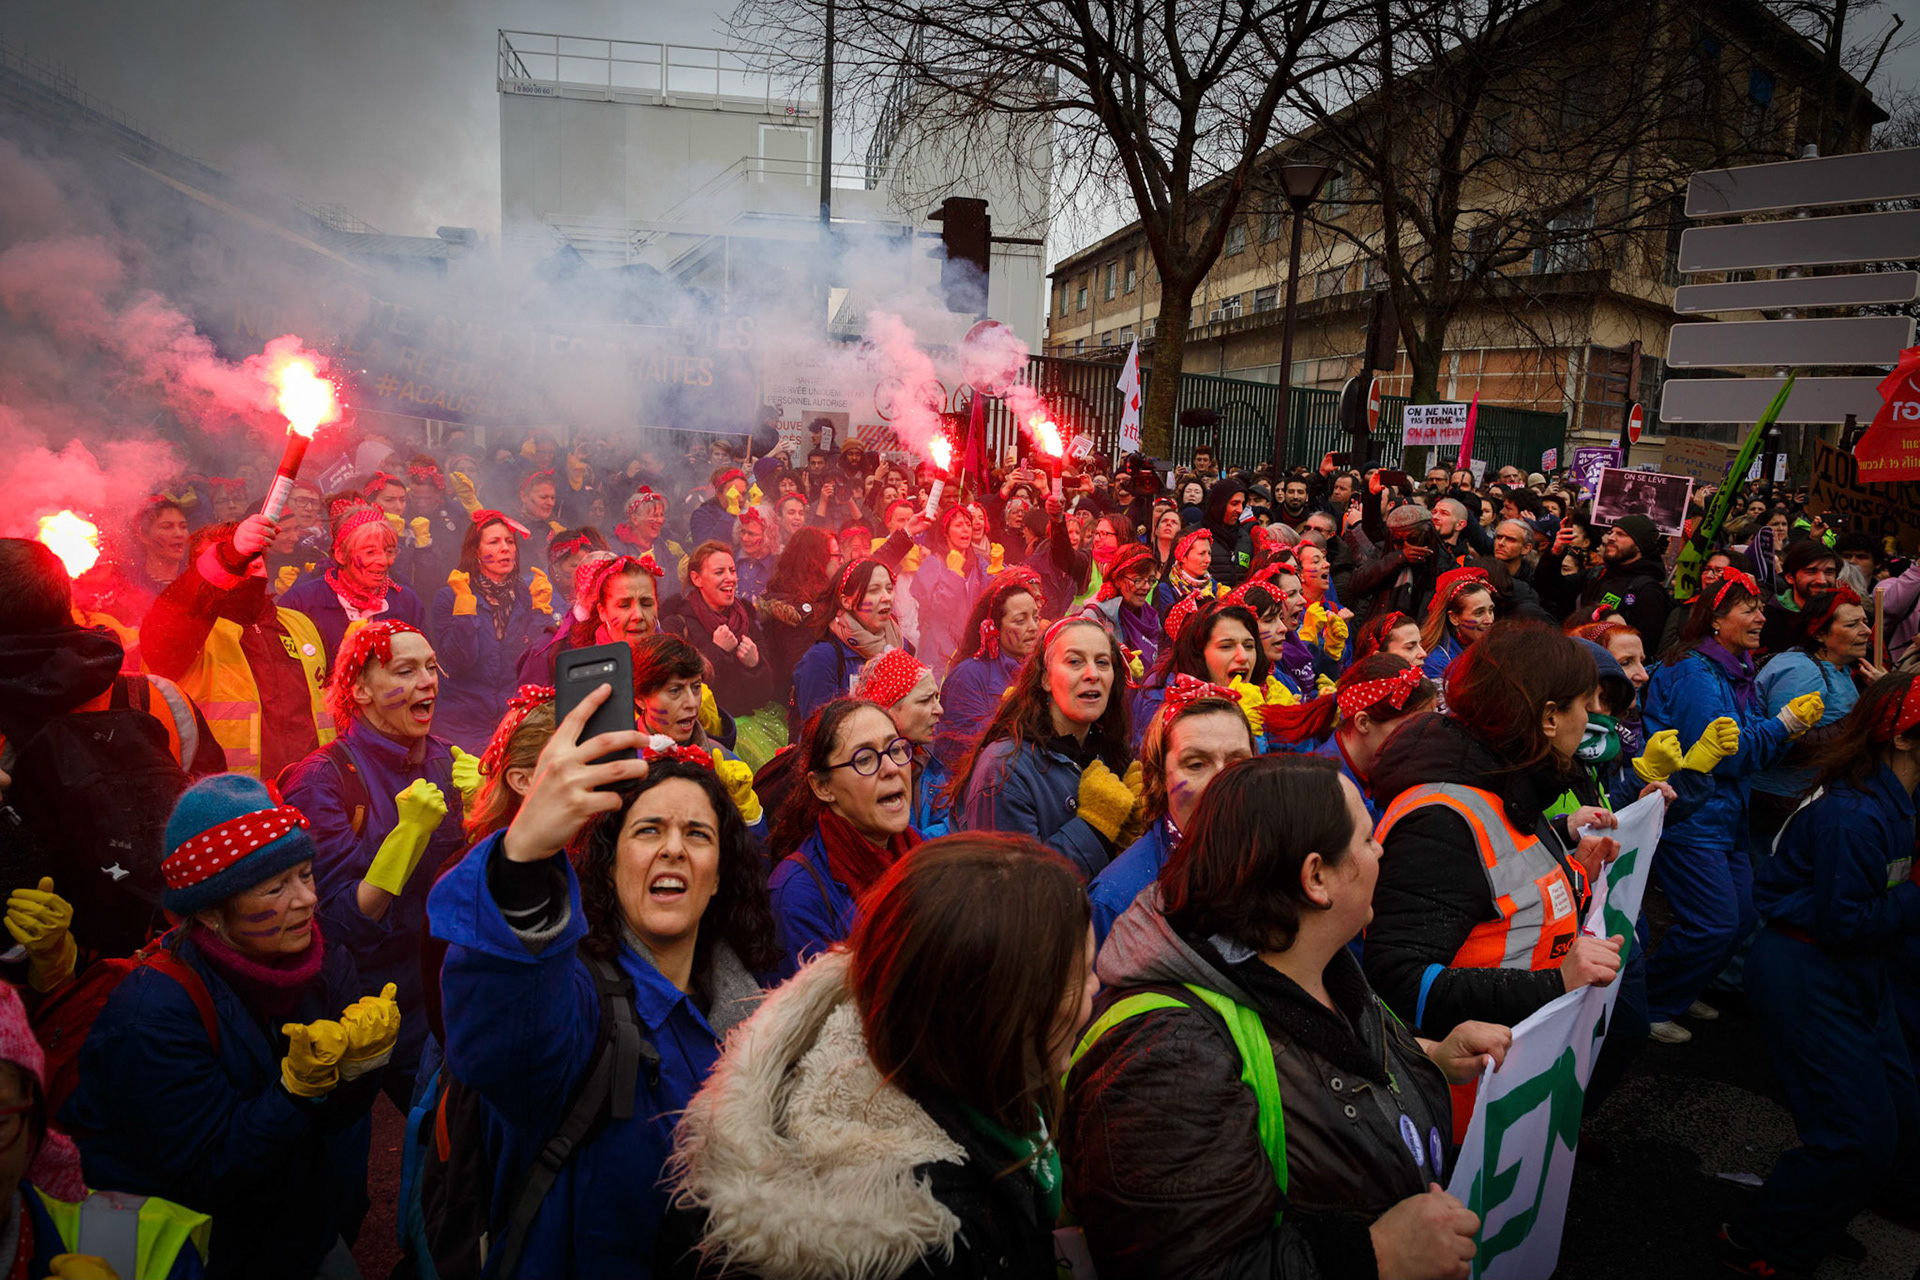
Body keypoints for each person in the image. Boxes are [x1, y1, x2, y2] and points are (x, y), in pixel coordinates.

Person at [1063, 755, 1501, 1280]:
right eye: (1365, 839)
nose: (1380, 848)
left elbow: (1318, 1060)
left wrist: (1426, 1055)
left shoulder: (1319, 962)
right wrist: (1373, 1256)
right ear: (1316, 878)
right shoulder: (1166, 1057)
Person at [429, 686, 778, 1278]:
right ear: (610, 865)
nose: (673, 848)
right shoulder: (575, 1009)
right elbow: (501, 1040)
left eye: (697, 834)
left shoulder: (763, 1018)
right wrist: (524, 858)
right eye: (647, 831)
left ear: (719, 876)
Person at [662, 835, 1090, 1279]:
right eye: (1078, 977)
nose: (1096, 989)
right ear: (998, 1012)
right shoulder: (928, 1239)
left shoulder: (976, 1081)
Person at [64, 774, 392, 1279]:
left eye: (305, 874)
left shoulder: (326, 964)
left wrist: (359, 1067)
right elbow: (205, 1175)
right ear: (213, 914)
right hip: (196, 1252)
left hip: (297, 1229)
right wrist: (294, 1092)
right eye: (275, 887)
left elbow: (334, 1123)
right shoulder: (152, 1012)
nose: (306, 899)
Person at [1722, 675, 1920, 1279]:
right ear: (1906, 740)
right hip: (1808, 971)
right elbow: (1846, 923)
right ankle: (1758, 1240)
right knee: (1854, 1134)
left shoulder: (1892, 800)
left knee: (1897, 1116)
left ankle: (1814, 1219)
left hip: (1854, 971)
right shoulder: (1853, 815)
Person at [1366, 622, 1626, 1041]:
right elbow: (1399, 983)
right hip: (1471, 1088)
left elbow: (1495, 888)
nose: (1590, 717)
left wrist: (1570, 864)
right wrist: (1556, 983)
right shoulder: (1441, 819)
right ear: (1549, 718)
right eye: (1584, 702)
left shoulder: (1508, 776)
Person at [0, 538, 224, 956]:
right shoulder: (161, 700)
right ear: (67, 598)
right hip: (168, 953)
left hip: (36, 980)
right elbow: (216, 822)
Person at [279, 620, 464, 1104]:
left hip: (438, 984)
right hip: (364, 1002)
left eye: (430, 666)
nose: (427, 681)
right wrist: (406, 837)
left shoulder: (444, 760)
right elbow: (341, 921)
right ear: (359, 690)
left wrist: (494, 806)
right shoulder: (321, 781)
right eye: (405, 670)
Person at [1640, 568, 1821, 1045]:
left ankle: (1681, 986)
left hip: (1725, 815)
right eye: (1750, 609)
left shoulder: (1736, 669)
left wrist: (1782, 731)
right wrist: (1783, 725)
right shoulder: (1696, 672)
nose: (1763, 617)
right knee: (1715, 921)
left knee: (1739, 916)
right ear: (1716, 620)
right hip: (1691, 815)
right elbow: (1729, 754)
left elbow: (1750, 751)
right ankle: (1650, 1002)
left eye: (1761, 607)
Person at [949, 618, 1139, 879]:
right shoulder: (1004, 770)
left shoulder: (1109, 751)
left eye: (1102, 662)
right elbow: (1015, 890)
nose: (1092, 674)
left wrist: (1137, 830)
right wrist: (1094, 828)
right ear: (1045, 679)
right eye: (1075, 661)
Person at [1087, 677, 1254, 945]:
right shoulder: (1118, 901)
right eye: (1197, 764)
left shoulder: (1282, 866)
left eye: (1238, 762)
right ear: (1160, 777)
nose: (1223, 780)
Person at [765, 699, 922, 973]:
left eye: (895, 749)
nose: (891, 768)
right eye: (864, 759)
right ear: (823, 787)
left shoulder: (927, 854)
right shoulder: (797, 896)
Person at [1749, 587, 1872, 859]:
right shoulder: (1800, 671)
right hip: (1778, 803)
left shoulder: (1839, 668)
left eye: (1864, 621)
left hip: (1808, 797)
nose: (1867, 631)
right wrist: (1863, 718)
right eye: (1853, 624)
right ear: (1819, 634)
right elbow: (1785, 746)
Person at [430, 511, 554, 752]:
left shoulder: (524, 595)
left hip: (512, 721)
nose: (505, 548)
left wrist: (541, 614)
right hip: (461, 725)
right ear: (475, 551)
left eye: (509, 541)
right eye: (494, 542)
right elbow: (459, 661)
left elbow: (536, 665)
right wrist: (465, 609)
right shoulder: (449, 596)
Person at [1264, 654, 1438, 820]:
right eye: (1412, 727)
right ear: (1363, 722)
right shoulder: (1320, 794)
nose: (1425, 739)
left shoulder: (1388, 772)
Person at [280, 502, 427, 662]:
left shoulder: (406, 602)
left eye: (389, 551)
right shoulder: (302, 601)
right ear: (341, 555)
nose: (383, 561)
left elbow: (424, 663)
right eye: (370, 552)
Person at [936, 574, 1044, 771]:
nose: (1033, 627)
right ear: (993, 628)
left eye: (1036, 618)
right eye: (1020, 620)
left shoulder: (1039, 671)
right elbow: (961, 747)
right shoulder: (968, 675)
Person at [1133, 595, 1267, 750]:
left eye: (1249, 646)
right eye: (1226, 646)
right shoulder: (1163, 694)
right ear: (1199, 654)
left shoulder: (1268, 692)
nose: (1243, 656)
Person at [660, 542, 778, 717]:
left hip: (747, 726)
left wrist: (755, 666)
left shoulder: (746, 619)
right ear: (696, 578)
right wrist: (717, 651)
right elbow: (675, 690)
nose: (729, 578)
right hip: (701, 730)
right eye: (719, 572)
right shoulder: (677, 624)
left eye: (732, 570)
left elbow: (763, 697)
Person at [790, 559, 907, 733]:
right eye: (874, 590)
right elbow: (818, 733)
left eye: (889, 589)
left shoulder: (901, 648)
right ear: (846, 601)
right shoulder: (823, 658)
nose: (886, 597)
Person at [519, 551, 664, 686]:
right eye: (623, 604)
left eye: (646, 603)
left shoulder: (668, 655)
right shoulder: (554, 651)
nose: (637, 615)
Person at [853, 647, 951, 837]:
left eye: (936, 698)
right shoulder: (861, 771)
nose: (939, 709)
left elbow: (950, 821)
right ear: (887, 709)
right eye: (925, 701)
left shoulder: (924, 762)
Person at [910, 505, 992, 677]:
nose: (966, 530)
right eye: (958, 525)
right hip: (939, 655)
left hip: (970, 649)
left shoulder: (977, 562)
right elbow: (938, 608)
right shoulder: (933, 563)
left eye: (968, 524)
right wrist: (953, 575)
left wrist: (997, 571)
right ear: (945, 532)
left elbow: (990, 598)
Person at [755, 527, 840, 688]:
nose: (840, 561)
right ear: (817, 560)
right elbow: (805, 673)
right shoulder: (795, 614)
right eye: (836, 555)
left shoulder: (820, 599)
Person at [1575, 514, 1670, 642]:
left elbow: (1644, 644)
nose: (1611, 538)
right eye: (1611, 532)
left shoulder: (1648, 590)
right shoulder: (1598, 574)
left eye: (1621, 534)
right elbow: (1553, 590)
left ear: (1639, 545)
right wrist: (1555, 554)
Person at [1079, 543, 1166, 672]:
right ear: (1118, 579)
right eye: (1138, 580)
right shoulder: (1094, 617)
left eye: (1151, 580)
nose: (1146, 587)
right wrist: (1121, 666)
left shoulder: (1151, 617)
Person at [1758, 538, 1843, 656]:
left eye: (1829, 572)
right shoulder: (1768, 618)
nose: (1821, 581)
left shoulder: (1842, 615)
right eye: (1811, 572)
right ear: (1790, 578)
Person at [1419, 566, 1496, 680]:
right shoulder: (1437, 661)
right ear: (1454, 618)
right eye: (1479, 613)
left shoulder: (1489, 645)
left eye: (1490, 610)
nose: (1489, 620)